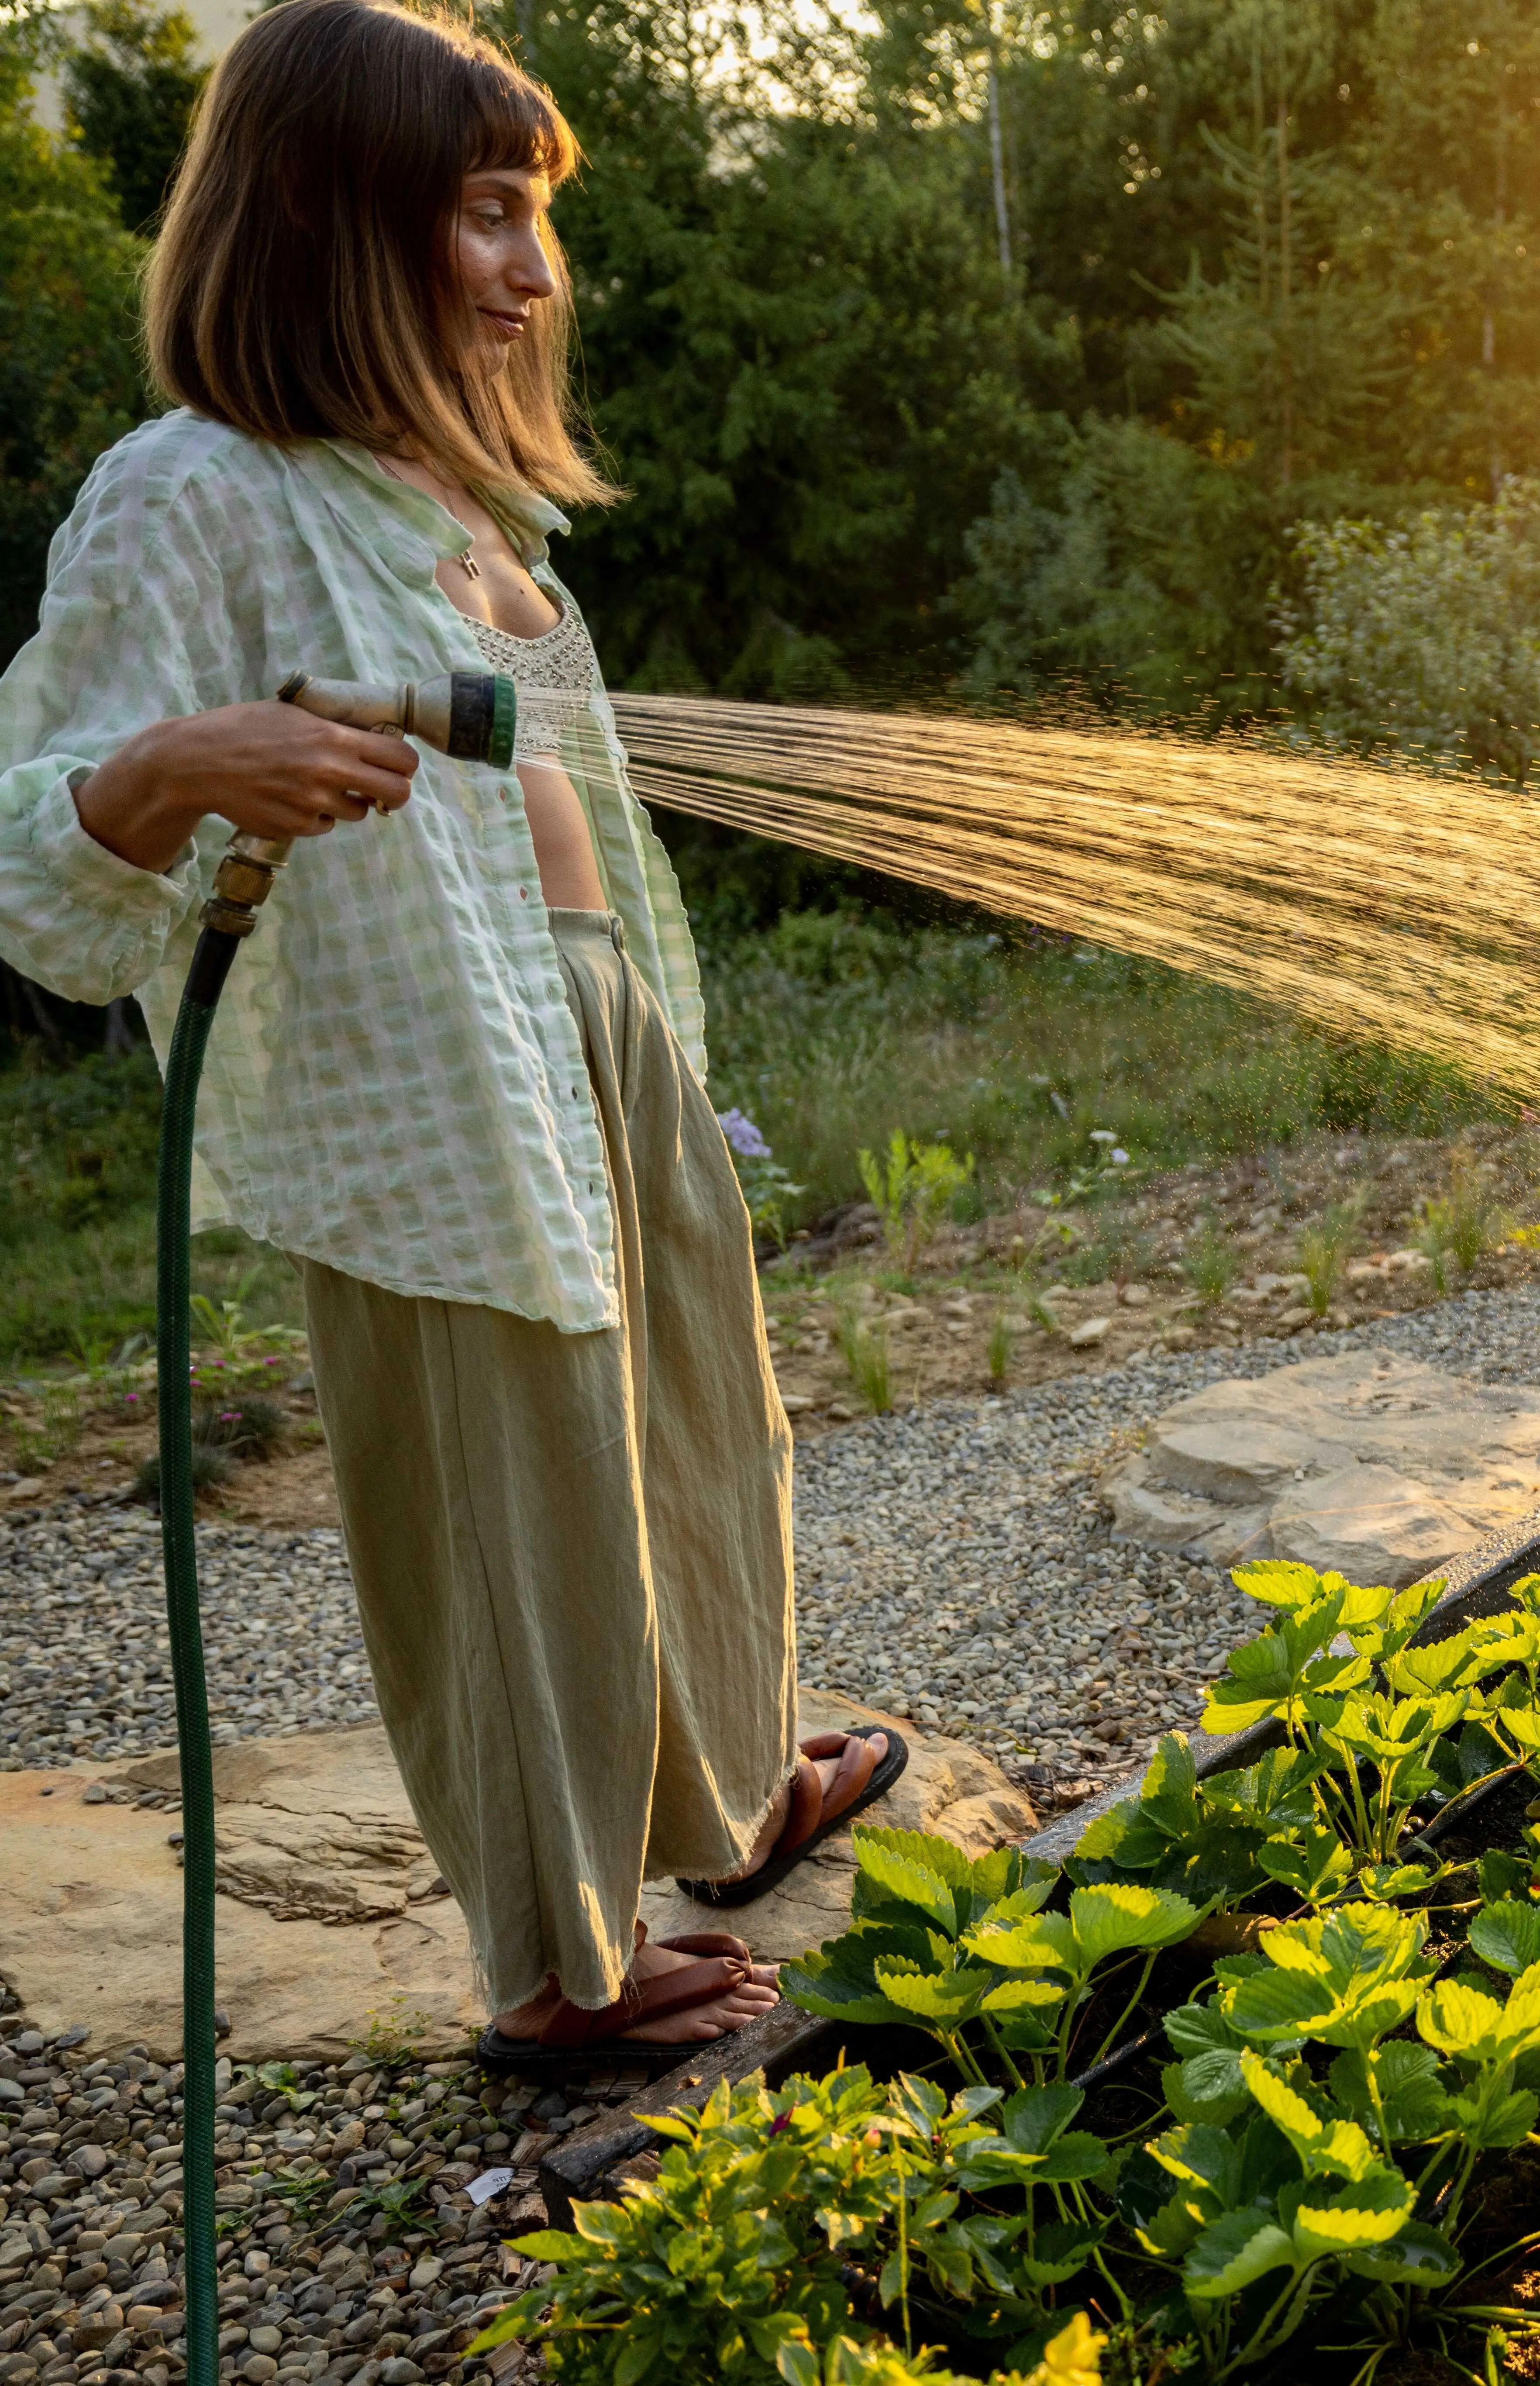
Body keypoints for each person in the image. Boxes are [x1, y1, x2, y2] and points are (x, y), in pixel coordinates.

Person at [0, 0, 900, 2068]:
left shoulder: (443, 494)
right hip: (420, 1079)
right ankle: (551, 1958)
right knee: (513, 1499)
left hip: (585, 1012)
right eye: (487, 214)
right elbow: (37, 855)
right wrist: (176, 767)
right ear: (330, 221)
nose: (532, 267)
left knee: (690, 1433)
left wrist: (642, 1032)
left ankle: (727, 1797)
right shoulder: (191, 494)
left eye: (532, 219)